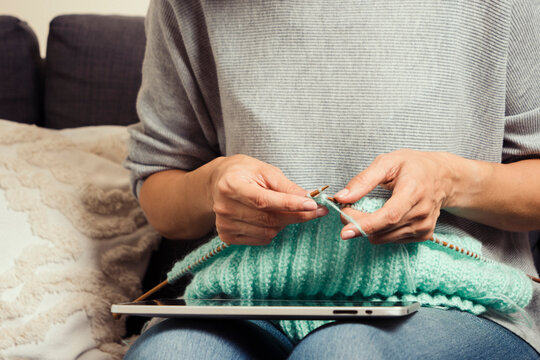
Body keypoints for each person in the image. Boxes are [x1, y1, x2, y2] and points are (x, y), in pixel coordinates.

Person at [124, 0, 540, 358]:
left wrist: (451, 182)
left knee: (341, 352)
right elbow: (159, 183)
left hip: (462, 307)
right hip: (246, 299)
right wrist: (210, 186)